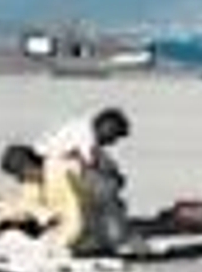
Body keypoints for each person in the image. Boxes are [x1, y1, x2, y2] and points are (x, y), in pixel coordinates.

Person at [37, 106, 134, 256]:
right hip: (56, 169)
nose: (112, 142)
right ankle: (59, 247)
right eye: (113, 137)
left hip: (59, 168)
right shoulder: (84, 136)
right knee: (77, 218)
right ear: (106, 127)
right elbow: (92, 164)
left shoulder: (84, 129)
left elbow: (97, 162)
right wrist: (113, 180)